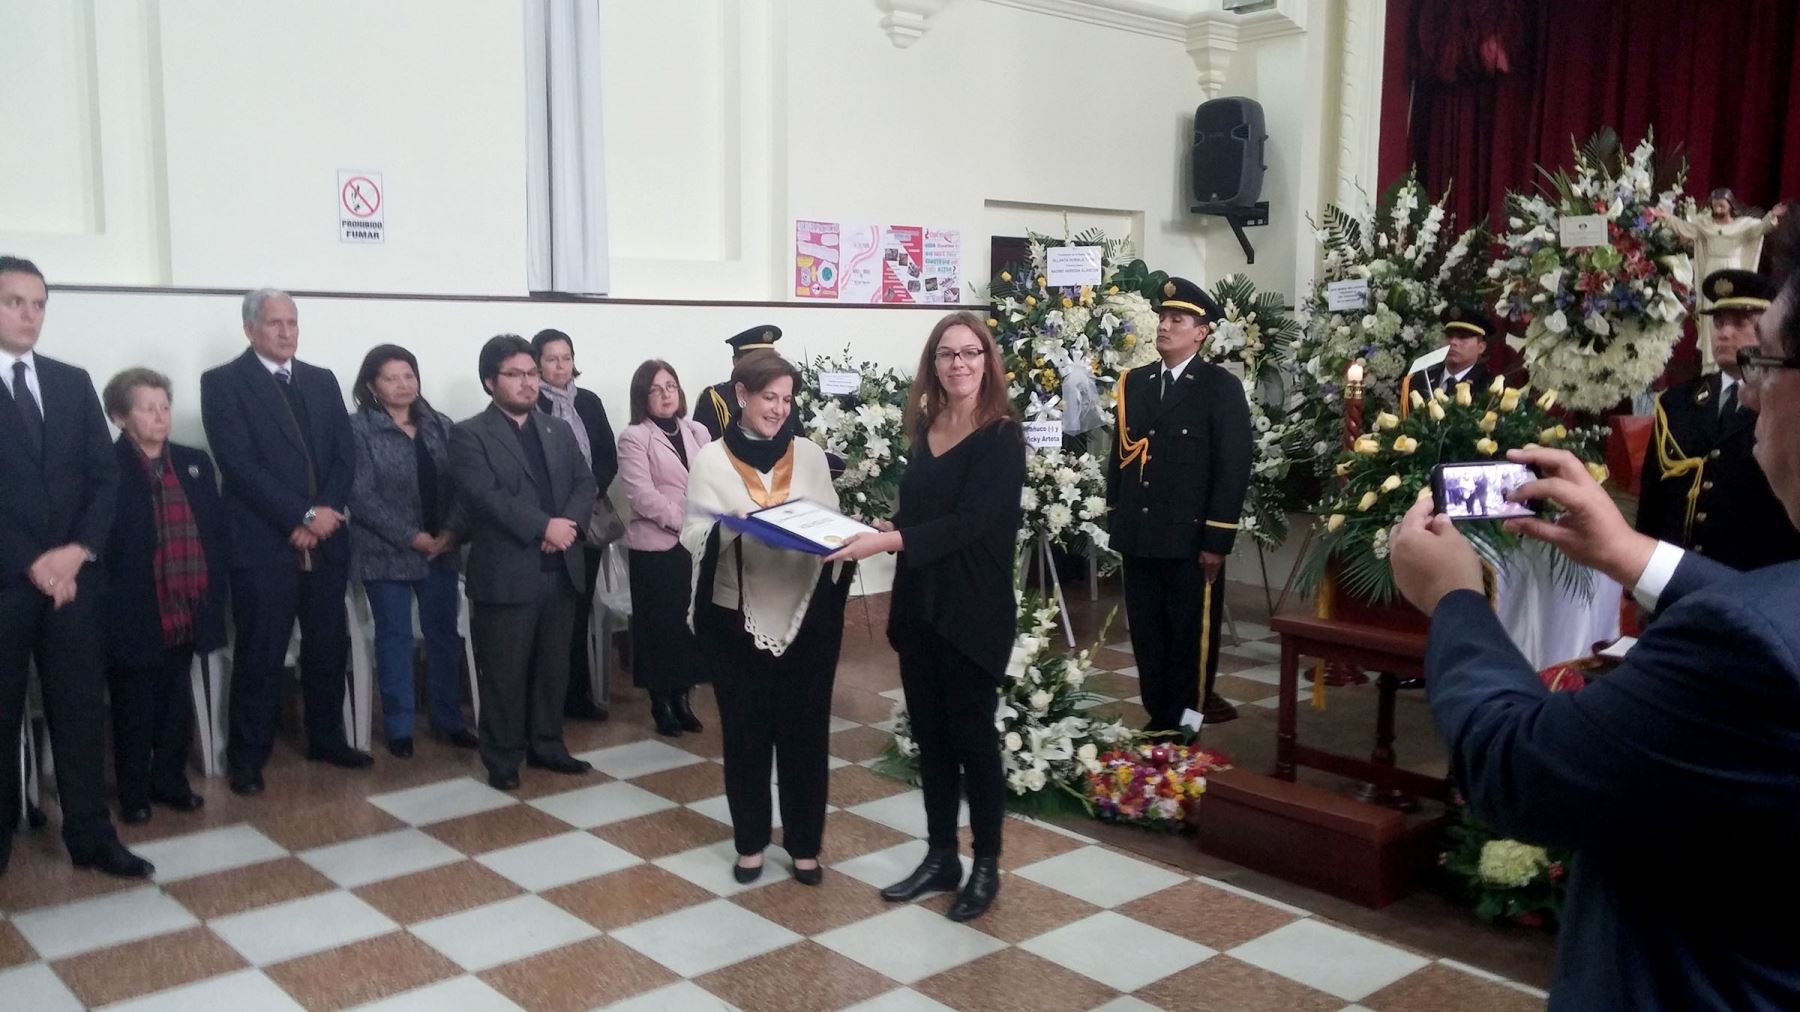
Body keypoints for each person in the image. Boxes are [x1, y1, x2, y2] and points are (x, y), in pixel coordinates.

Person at [1385, 266, 1800, 1008]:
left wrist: (1454, 596)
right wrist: (1629, 552)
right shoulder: (1762, 621)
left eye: (1764, 361)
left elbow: (1517, 767)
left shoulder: (1744, 645)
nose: (1751, 385)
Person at [826, 310, 1024, 922]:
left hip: (973, 609)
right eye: (946, 354)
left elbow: (972, 524)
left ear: (987, 362)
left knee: (974, 740)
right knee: (932, 741)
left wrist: (889, 544)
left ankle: (985, 862)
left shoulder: (1001, 435)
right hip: (922, 606)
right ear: (933, 364)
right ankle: (942, 856)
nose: (959, 364)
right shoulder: (928, 425)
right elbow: (926, 513)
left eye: (970, 353)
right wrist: (891, 528)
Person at [0, 256, 152, 877]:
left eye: (38, 304)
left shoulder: (70, 380)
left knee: (81, 710)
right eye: (14, 302)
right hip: (6, 583)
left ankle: (90, 836)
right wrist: (31, 562)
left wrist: (75, 553)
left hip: (74, 585)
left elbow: (104, 478)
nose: (29, 314)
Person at [682, 350, 853, 886]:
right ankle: (751, 842)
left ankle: (805, 845)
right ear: (741, 396)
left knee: (806, 732)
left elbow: (830, 523)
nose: (778, 409)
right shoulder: (710, 459)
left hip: (807, 616)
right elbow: (691, 532)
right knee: (746, 732)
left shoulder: (809, 455)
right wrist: (728, 527)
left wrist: (844, 533)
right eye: (767, 398)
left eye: (786, 399)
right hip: (737, 618)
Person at [201, 288, 369, 796]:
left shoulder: (321, 380)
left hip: (327, 538)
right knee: (261, 652)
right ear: (250, 328)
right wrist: (300, 515)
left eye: (292, 322)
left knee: (326, 644)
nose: (285, 331)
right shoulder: (224, 382)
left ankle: (327, 737)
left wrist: (326, 514)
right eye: (274, 323)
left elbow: (344, 453)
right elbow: (238, 463)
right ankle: (248, 757)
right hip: (263, 542)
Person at [450, 335, 597, 790]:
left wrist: (567, 525)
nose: (527, 382)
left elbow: (585, 483)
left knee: (553, 667)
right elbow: (486, 498)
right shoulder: (469, 433)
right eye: (515, 374)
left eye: (532, 373)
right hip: (507, 571)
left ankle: (548, 744)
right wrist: (544, 527)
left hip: (561, 567)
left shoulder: (556, 428)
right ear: (490, 381)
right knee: (505, 672)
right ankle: (502, 757)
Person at [1106, 277, 1252, 728]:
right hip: (1141, 534)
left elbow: (1232, 467)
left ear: (1201, 332)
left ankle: (1185, 721)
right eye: (1163, 318)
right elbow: (1120, 459)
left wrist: (1217, 539)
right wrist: (1118, 519)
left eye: (1177, 319)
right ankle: (1158, 714)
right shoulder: (1136, 383)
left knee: (1190, 636)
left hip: (1189, 539)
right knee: (1148, 633)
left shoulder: (1218, 388)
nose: (1165, 326)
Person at [100, 368, 227, 825]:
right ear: (119, 416)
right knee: (134, 702)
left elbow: (212, 530)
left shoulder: (193, 462)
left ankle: (169, 780)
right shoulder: (106, 467)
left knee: (176, 700)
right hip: (134, 604)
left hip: (187, 601)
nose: (160, 416)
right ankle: (133, 792)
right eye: (147, 408)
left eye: (165, 406)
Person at [347, 345, 477, 758]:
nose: (403, 385)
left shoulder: (441, 425)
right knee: (395, 637)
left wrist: (451, 532)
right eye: (391, 378)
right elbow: (360, 496)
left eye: (409, 376)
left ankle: (448, 719)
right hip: (386, 551)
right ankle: (400, 726)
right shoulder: (357, 429)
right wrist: (411, 536)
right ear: (371, 385)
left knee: (442, 635)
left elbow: (463, 485)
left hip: (441, 547)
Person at [1637, 269, 1800, 572]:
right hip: (1675, 580)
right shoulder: (1677, 402)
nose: (1724, 333)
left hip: (1756, 583)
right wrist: (1640, 577)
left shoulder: (1786, 403)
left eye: (1741, 322)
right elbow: (1653, 501)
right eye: (1719, 322)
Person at [615, 360, 710, 737]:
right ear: (643, 396)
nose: (666, 394)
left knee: (690, 625)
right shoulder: (634, 436)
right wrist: (685, 522)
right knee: (661, 627)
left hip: (698, 544)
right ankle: (662, 702)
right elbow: (642, 496)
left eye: (671, 385)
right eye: (656, 389)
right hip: (658, 546)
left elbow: (715, 479)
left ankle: (684, 698)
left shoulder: (698, 431)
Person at [532, 328, 619, 722]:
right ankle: (545, 699)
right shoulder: (530, 405)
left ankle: (577, 695)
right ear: (536, 364)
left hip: (588, 523)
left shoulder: (589, 402)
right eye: (552, 358)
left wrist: (584, 499)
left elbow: (606, 457)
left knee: (579, 612)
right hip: (549, 525)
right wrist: (561, 513)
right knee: (550, 615)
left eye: (566, 357)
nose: (561, 365)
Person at [1668, 190, 1785, 374]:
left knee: (1733, 311)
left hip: (1733, 268)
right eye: (1715, 205)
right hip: (1711, 270)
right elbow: (1685, 228)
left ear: (1730, 206)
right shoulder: (1705, 225)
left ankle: (1735, 360)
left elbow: (1760, 229)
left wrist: (1772, 216)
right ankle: (1710, 363)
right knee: (1712, 316)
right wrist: (1665, 217)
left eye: (1722, 205)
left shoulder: (1742, 226)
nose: (1718, 208)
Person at [695, 324, 802, 442]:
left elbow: (798, 442)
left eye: (770, 360)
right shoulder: (715, 399)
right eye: (768, 397)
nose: (779, 409)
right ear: (736, 362)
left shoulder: (783, 396)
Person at [1406, 305, 1496, 401]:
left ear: (1481, 347)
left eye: (1463, 337)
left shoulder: (1488, 387)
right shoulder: (1422, 379)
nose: (1453, 342)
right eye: (1449, 336)